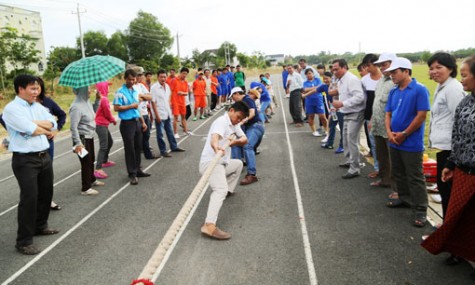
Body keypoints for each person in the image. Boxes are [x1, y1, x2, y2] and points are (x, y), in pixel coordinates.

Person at [422, 56, 475, 279]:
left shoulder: (454, 92)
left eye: (465, 75)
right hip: (462, 169)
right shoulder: (467, 102)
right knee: (460, 215)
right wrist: (451, 163)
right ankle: (459, 251)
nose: (461, 80)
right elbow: (458, 134)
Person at [3, 74, 59, 255]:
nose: (37, 92)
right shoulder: (11, 109)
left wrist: (38, 124)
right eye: (32, 88)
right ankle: (24, 241)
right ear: (20, 89)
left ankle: (40, 225)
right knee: (30, 198)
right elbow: (32, 130)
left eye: (38, 88)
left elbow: (54, 122)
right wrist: (43, 129)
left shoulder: (38, 106)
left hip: (44, 157)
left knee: (46, 193)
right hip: (25, 160)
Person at [384, 57, 430, 227]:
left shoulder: (419, 89)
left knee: (415, 176)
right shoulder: (394, 91)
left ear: (406, 71)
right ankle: (404, 198)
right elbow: (388, 113)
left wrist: (404, 134)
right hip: (394, 140)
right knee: (398, 172)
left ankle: (420, 209)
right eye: (390, 73)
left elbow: (421, 115)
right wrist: (389, 132)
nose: (392, 76)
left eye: (395, 72)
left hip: (410, 143)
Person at [200, 101, 249, 240]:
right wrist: (216, 148)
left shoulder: (234, 123)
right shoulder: (221, 121)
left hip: (223, 163)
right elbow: (214, 137)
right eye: (238, 117)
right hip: (211, 163)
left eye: (241, 119)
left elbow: (245, 139)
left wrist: (234, 142)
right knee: (219, 189)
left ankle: (227, 190)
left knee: (238, 164)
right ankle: (209, 225)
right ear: (231, 110)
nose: (238, 121)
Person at [427, 52, 465, 220]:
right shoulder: (442, 86)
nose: (434, 71)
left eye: (439, 67)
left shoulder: (453, 89)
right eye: (431, 68)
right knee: (444, 189)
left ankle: (448, 229)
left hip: (452, 148)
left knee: (448, 190)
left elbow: (461, 122)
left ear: (450, 68)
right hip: (444, 146)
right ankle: (447, 227)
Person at [113, 69, 151, 186]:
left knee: (138, 147)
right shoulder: (120, 92)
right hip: (127, 123)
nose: (132, 81)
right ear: (125, 79)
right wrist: (130, 106)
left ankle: (138, 169)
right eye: (130, 79)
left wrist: (142, 122)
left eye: (134, 79)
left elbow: (137, 108)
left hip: (136, 121)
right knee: (129, 149)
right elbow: (116, 108)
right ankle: (132, 173)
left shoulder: (135, 91)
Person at [332, 59, 366, 179]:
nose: (334, 71)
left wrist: (343, 103)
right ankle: (350, 161)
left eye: (337, 69)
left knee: (351, 140)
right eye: (333, 69)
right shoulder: (341, 80)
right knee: (346, 139)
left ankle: (355, 168)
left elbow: (360, 97)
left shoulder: (351, 79)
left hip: (355, 113)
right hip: (346, 112)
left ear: (344, 67)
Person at [36, 77, 66, 210]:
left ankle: (48, 200)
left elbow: (62, 115)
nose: (35, 90)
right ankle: (36, 201)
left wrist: (56, 130)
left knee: (47, 174)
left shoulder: (47, 102)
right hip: (31, 145)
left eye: (37, 87)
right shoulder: (22, 105)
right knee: (34, 175)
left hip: (48, 143)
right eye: (32, 88)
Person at [70, 86, 104, 195]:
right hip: (81, 139)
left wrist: (98, 99)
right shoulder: (76, 107)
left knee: (91, 159)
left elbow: (94, 112)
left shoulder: (86, 102)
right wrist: (78, 143)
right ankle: (85, 188)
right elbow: (73, 127)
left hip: (89, 136)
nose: (90, 90)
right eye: (87, 88)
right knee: (85, 162)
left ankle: (92, 179)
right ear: (81, 90)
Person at [370, 53, 397, 188]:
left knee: (393, 157)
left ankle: (396, 186)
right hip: (377, 124)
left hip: (390, 126)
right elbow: (377, 102)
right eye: (380, 65)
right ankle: (384, 179)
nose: (381, 68)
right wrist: (372, 120)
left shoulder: (395, 82)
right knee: (382, 156)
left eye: (384, 65)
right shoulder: (381, 81)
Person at [230, 87, 264, 185]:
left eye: (232, 97)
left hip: (255, 126)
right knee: (235, 143)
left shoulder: (247, 99)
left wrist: (243, 121)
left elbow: (252, 113)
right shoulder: (238, 105)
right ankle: (237, 165)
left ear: (236, 94)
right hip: (247, 128)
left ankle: (252, 175)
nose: (233, 99)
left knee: (247, 146)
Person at [150, 70, 186, 157]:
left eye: (164, 77)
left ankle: (174, 146)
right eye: (161, 77)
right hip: (160, 114)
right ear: (158, 77)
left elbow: (168, 99)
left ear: (167, 77)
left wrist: (170, 111)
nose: (163, 78)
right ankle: (163, 150)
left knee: (170, 132)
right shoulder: (154, 88)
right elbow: (153, 103)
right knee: (160, 134)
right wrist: (156, 116)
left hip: (167, 113)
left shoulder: (167, 86)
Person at [361, 54, 382, 179]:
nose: (367, 68)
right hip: (369, 116)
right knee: (374, 144)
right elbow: (363, 99)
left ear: (376, 64)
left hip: (385, 117)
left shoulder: (386, 79)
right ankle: (378, 168)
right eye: (365, 66)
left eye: (368, 65)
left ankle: (388, 171)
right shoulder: (364, 80)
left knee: (386, 145)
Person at [93, 81, 117, 180]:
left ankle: (104, 160)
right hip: (101, 125)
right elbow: (107, 113)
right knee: (103, 146)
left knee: (110, 142)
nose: (109, 88)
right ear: (104, 88)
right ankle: (98, 168)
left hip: (101, 124)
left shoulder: (99, 99)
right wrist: (113, 120)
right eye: (107, 87)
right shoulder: (104, 100)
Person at [134, 67, 158, 160]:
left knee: (147, 135)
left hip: (145, 113)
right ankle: (137, 156)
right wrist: (143, 97)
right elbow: (136, 100)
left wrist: (142, 96)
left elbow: (150, 97)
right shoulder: (132, 87)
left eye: (141, 75)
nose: (141, 77)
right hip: (137, 114)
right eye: (139, 75)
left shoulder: (141, 86)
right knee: (138, 137)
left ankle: (147, 153)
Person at [302, 68, 327, 137]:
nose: (308, 75)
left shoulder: (318, 80)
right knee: (311, 116)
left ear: (313, 73)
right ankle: (314, 131)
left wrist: (309, 89)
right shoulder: (305, 82)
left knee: (322, 116)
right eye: (307, 74)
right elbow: (305, 89)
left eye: (310, 73)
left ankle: (326, 130)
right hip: (309, 102)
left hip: (318, 100)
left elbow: (320, 87)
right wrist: (315, 88)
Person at [170, 67, 191, 139]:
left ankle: (185, 131)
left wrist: (182, 93)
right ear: (180, 73)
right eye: (183, 73)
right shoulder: (174, 80)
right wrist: (170, 101)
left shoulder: (185, 82)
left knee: (183, 117)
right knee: (175, 118)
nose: (184, 75)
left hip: (182, 102)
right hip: (175, 101)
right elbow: (170, 91)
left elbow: (186, 92)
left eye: (186, 74)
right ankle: (175, 133)